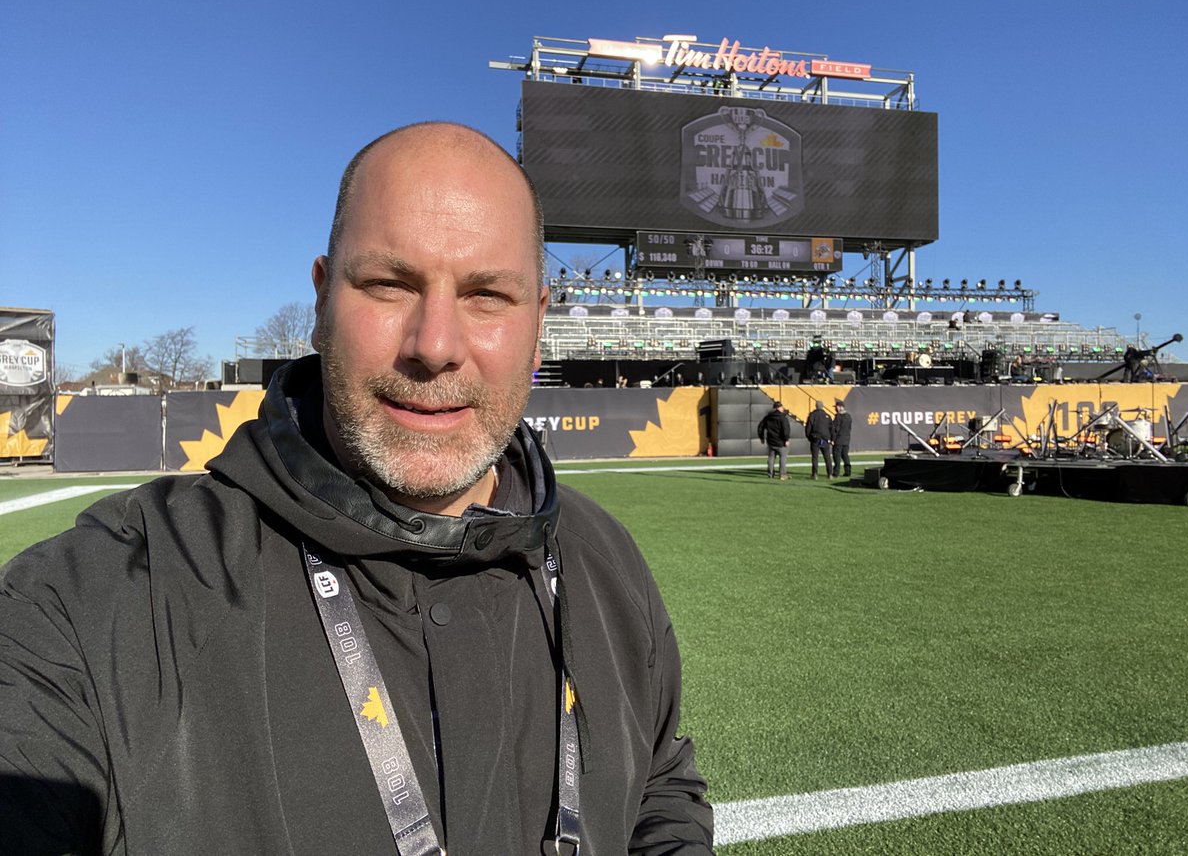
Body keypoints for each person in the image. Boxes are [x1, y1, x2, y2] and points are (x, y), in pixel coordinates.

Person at [0, 124, 713, 855]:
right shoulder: (96, 603)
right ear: (320, 301)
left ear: (538, 325)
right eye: (389, 285)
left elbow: (658, 787)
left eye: (487, 295)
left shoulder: (605, 562)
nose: (434, 346)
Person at [757, 399, 791, 480]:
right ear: (779, 408)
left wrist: (761, 437)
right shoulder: (783, 418)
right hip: (781, 441)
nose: (783, 408)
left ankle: (770, 473)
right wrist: (786, 439)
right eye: (781, 407)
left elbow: (760, 427)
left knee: (771, 457)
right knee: (782, 458)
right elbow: (786, 429)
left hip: (771, 441)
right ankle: (782, 474)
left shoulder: (768, 417)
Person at [805, 400, 834, 479]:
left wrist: (809, 437)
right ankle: (830, 474)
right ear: (823, 406)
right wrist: (832, 439)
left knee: (815, 457)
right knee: (827, 457)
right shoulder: (827, 416)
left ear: (816, 406)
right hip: (824, 439)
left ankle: (815, 474)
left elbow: (808, 428)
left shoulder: (812, 415)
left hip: (815, 439)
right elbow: (831, 428)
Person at [831, 399, 853, 478]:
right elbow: (849, 428)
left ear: (840, 407)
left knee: (837, 457)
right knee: (845, 456)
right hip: (846, 439)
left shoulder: (838, 416)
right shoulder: (848, 416)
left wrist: (833, 439)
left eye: (836, 407)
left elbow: (835, 429)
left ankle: (836, 473)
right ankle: (848, 471)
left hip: (838, 440)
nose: (835, 408)